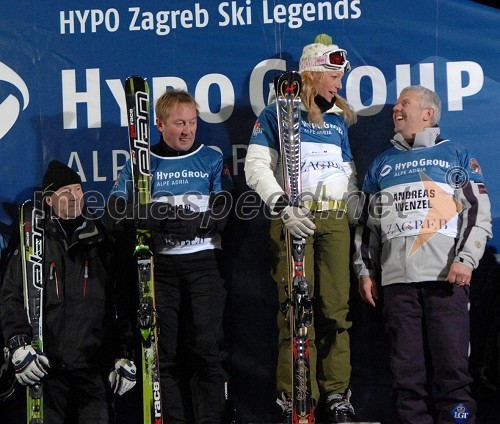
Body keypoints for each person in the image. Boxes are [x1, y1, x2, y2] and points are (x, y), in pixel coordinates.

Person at [353, 85, 493, 423]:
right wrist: (364, 271)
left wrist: (465, 259)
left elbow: (479, 213)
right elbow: (365, 225)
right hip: (397, 285)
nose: (396, 109)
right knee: (406, 380)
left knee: (453, 376)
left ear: (428, 114)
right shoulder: (382, 163)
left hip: (446, 280)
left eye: (405, 103)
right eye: (397, 103)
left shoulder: (456, 154)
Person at [244, 34, 358, 423]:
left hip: (334, 219)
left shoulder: (338, 121)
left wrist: (353, 204)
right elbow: (255, 167)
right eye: (334, 76)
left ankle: (337, 392)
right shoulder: (275, 115)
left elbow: (347, 171)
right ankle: (295, 393)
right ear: (311, 73)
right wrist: (281, 208)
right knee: (296, 310)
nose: (339, 85)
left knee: (336, 310)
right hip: (294, 219)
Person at [108, 89, 230, 423]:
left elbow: (225, 207)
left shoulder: (211, 158)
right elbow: (115, 209)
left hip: (203, 264)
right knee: (165, 354)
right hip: (159, 269)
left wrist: (196, 222)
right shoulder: (142, 163)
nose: (188, 130)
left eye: (193, 122)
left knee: (207, 349)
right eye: (179, 123)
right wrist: (155, 214)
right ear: (160, 124)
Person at [0, 160, 136, 424]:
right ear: (49, 201)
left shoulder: (102, 240)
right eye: (66, 193)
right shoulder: (33, 243)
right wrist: (17, 345)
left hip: (94, 367)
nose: (75, 198)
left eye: (78, 190)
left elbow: (122, 301)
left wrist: (125, 354)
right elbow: (11, 296)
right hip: (47, 367)